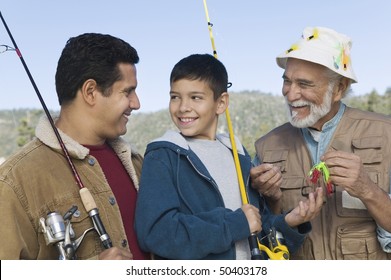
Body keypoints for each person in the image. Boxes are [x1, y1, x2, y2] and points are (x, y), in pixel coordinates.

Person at [134, 53, 323, 260]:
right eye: (174, 97)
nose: (182, 107)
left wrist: (289, 223)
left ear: (221, 103)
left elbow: (257, 225)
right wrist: (234, 224)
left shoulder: (239, 156)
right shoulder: (162, 155)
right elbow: (156, 233)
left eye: (195, 97)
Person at [0, 33, 150, 260]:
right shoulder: (14, 181)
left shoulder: (139, 164)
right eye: (128, 91)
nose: (136, 103)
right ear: (90, 92)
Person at [251, 26, 391, 259]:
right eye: (287, 81)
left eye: (304, 84)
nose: (290, 94)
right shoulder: (265, 147)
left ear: (339, 89)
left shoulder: (386, 134)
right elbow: (259, 237)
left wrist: (368, 190)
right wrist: (271, 200)